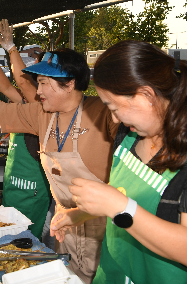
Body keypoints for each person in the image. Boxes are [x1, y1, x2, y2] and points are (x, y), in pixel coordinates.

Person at [0, 19, 119, 283]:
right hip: (63, 225)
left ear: (70, 84)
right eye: (37, 83)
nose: (37, 91)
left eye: (44, 84)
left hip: (102, 229)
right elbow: (0, 110)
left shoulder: (103, 113)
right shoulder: (42, 113)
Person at [51, 40, 187, 283]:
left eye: (114, 107)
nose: (114, 118)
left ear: (146, 95)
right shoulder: (128, 137)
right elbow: (122, 193)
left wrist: (120, 207)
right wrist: (79, 214)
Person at [0, 34, 51, 240]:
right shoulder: (24, 101)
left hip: (32, 193)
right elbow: (5, 87)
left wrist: (11, 49)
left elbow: (21, 83)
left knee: (27, 242)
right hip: (13, 187)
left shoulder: (41, 106)